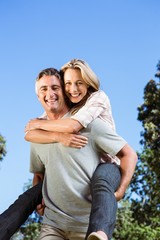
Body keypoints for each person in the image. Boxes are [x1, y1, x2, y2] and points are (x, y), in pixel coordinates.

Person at [25, 67, 137, 240]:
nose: (50, 93)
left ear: (64, 91)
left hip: (87, 226)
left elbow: (128, 154)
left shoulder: (90, 123)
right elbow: (39, 173)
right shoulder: (38, 134)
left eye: (55, 88)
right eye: (43, 89)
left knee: (103, 179)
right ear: (38, 96)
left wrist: (121, 190)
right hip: (53, 225)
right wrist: (38, 200)